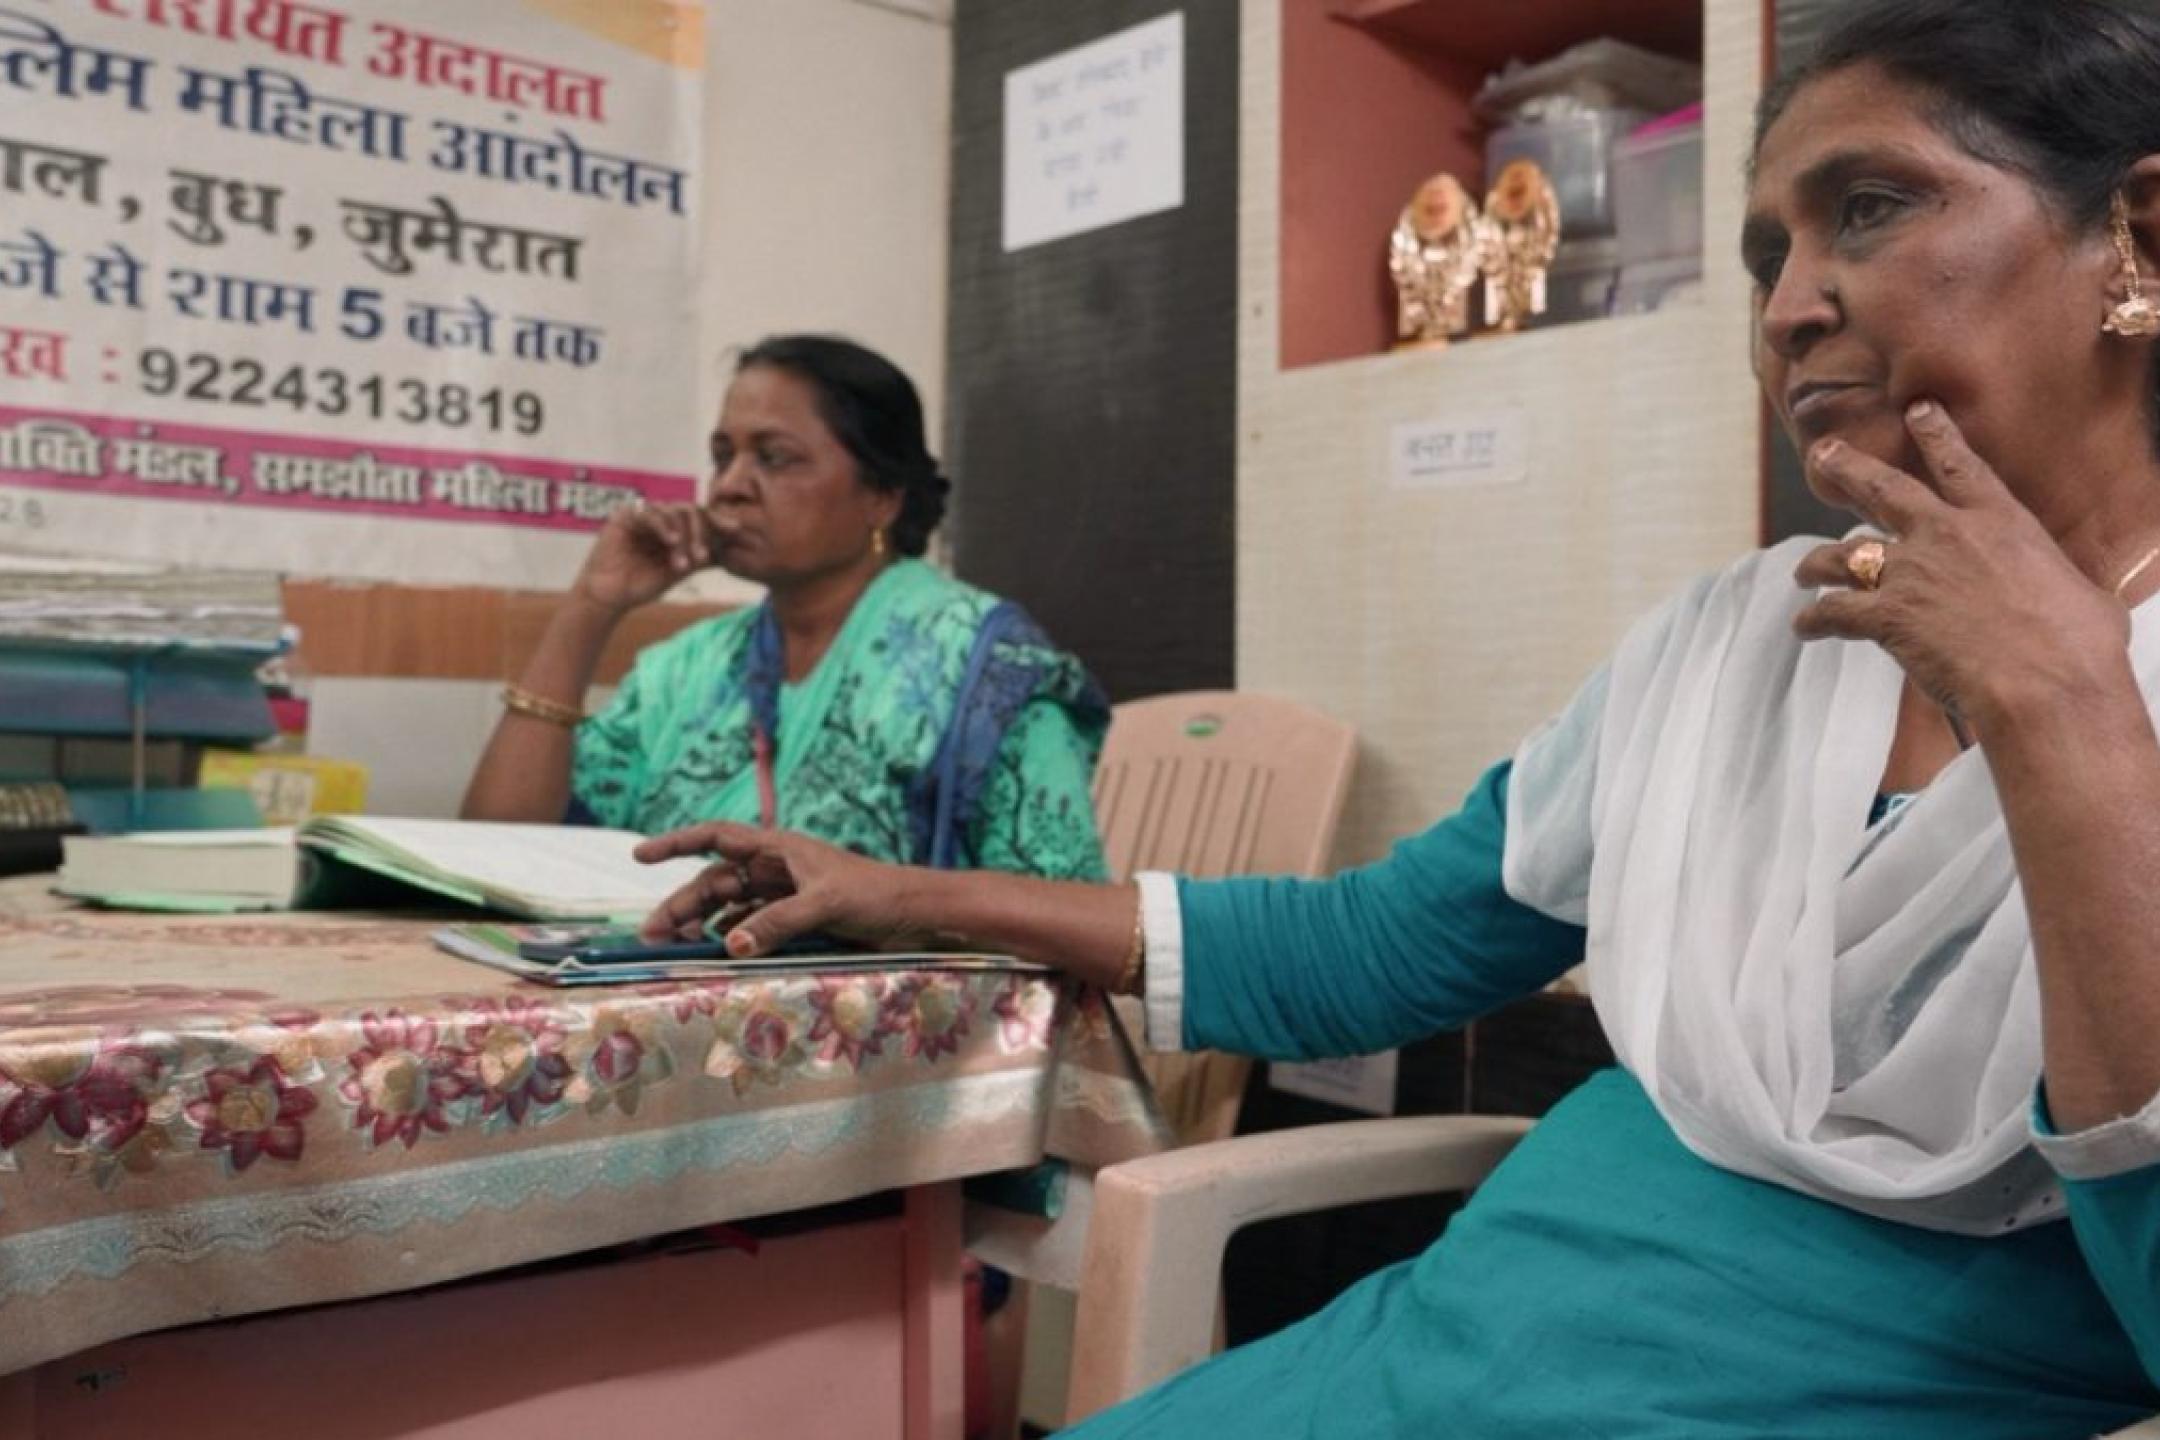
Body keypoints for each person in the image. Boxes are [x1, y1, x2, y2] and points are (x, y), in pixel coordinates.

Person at [630, 2, 2160, 1435]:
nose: (1790, 309)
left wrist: (2061, 707)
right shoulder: (1730, 647)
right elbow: (1372, 951)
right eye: (1767, 252)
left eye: (1872, 208)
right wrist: (904, 894)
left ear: (2138, 242)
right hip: (1440, 1343)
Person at [461, 334, 1108, 881]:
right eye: (724, 456)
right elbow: (497, 858)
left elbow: (1063, 904)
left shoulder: (986, 665)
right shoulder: (686, 669)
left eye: (774, 458)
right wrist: (591, 605)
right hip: (675, 1012)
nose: (731, 485)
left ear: (882, 495)